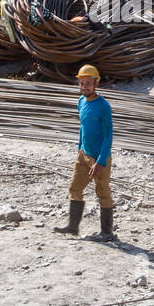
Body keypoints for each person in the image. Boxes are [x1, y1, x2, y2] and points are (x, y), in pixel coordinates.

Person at [53, 64, 115, 241]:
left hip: (99, 158)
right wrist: (79, 148)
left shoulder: (103, 106)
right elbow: (83, 127)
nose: (84, 87)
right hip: (83, 154)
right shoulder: (81, 102)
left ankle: (107, 233)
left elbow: (108, 136)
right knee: (75, 187)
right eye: (81, 83)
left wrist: (101, 161)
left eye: (88, 83)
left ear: (96, 83)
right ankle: (73, 227)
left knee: (102, 191)